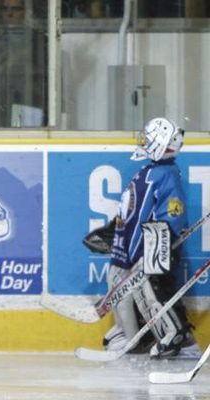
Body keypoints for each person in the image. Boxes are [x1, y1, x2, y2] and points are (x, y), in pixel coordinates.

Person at [104, 117, 200, 358]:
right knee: (123, 283)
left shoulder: (166, 174)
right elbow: (133, 211)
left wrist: (159, 240)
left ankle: (176, 334)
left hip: (158, 244)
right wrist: (113, 232)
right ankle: (137, 332)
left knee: (155, 289)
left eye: (149, 138)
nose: (144, 141)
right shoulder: (148, 172)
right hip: (140, 245)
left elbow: (174, 213)